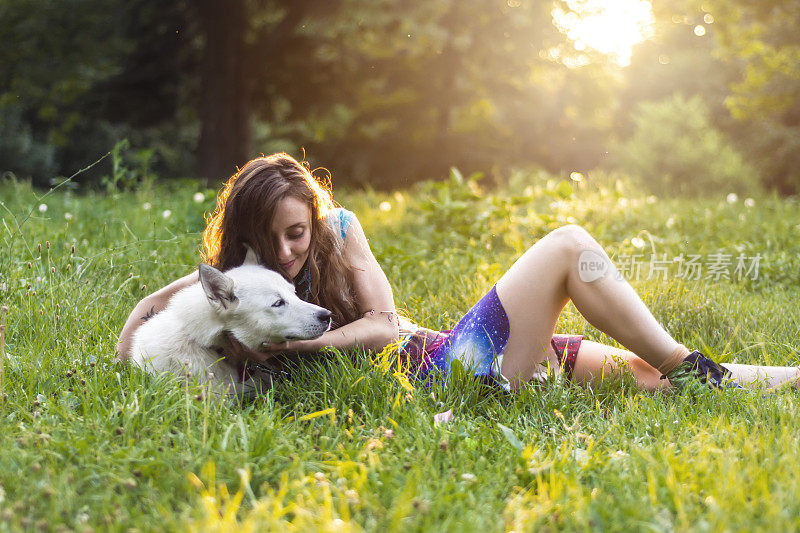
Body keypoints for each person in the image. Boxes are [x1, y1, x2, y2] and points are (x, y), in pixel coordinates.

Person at [117, 153, 800, 393]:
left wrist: (301, 343)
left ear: (313, 218)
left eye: (297, 231)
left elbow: (385, 325)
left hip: (446, 348)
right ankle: (514, 388)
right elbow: (161, 302)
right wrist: (126, 347)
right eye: (274, 239)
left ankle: (749, 376)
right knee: (566, 245)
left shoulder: (340, 230)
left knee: (648, 376)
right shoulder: (241, 285)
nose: (290, 250)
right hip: (448, 372)